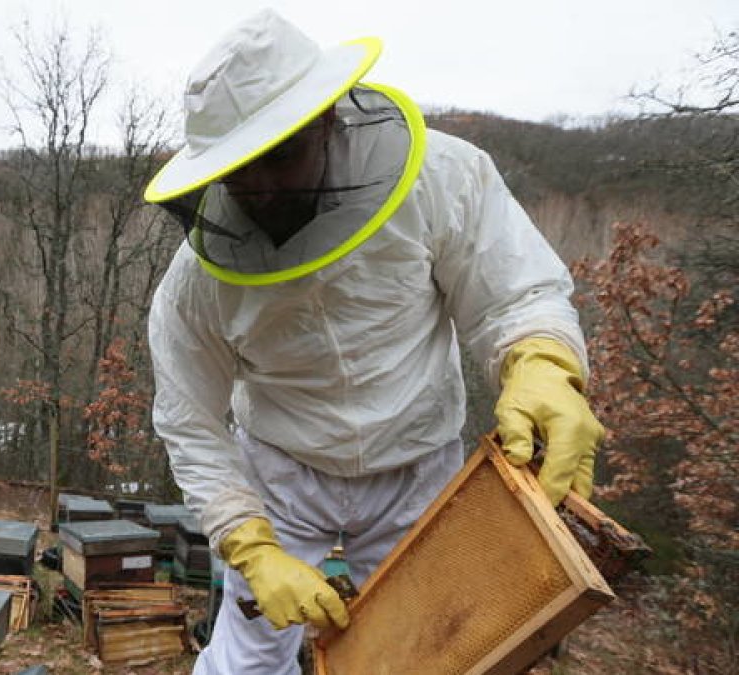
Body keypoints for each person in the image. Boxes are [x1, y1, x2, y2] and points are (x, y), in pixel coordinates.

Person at [144, 10, 605, 675]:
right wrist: (250, 545)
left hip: (417, 460)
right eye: (243, 167)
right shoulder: (194, 284)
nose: (264, 187)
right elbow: (188, 421)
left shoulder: (442, 178)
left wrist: (542, 362)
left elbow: (513, 292)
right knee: (244, 660)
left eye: (281, 153)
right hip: (281, 472)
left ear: (328, 118)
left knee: (428, 650)